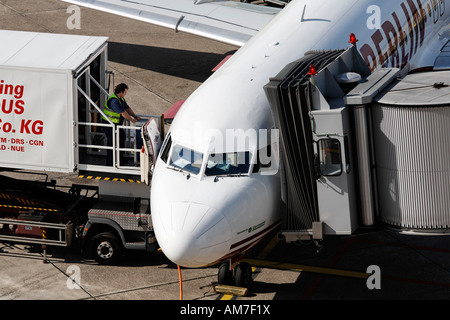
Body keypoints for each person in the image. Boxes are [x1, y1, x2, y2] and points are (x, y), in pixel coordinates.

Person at [102, 83, 141, 166]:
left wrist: (135, 116)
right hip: (109, 125)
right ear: (121, 92)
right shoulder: (114, 101)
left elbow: (127, 108)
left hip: (116, 125)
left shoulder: (121, 99)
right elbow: (123, 113)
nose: (126, 93)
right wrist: (132, 120)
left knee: (121, 137)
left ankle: (120, 159)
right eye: (125, 92)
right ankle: (110, 163)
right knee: (111, 143)